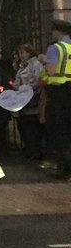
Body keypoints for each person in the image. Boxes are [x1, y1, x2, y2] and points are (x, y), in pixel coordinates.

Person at [43, 20, 71, 179]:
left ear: (57, 32)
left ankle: (65, 168)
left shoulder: (55, 48)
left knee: (60, 132)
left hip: (60, 93)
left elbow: (51, 71)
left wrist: (43, 64)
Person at [14, 43, 44, 160]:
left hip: (32, 100)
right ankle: (29, 149)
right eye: (20, 53)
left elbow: (37, 81)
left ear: (29, 53)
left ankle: (35, 150)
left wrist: (27, 88)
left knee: (32, 127)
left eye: (23, 52)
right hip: (23, 100)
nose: (21, 55)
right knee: (24, 126)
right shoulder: (22, 66)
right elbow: (17, 80)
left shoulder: (36, 65)